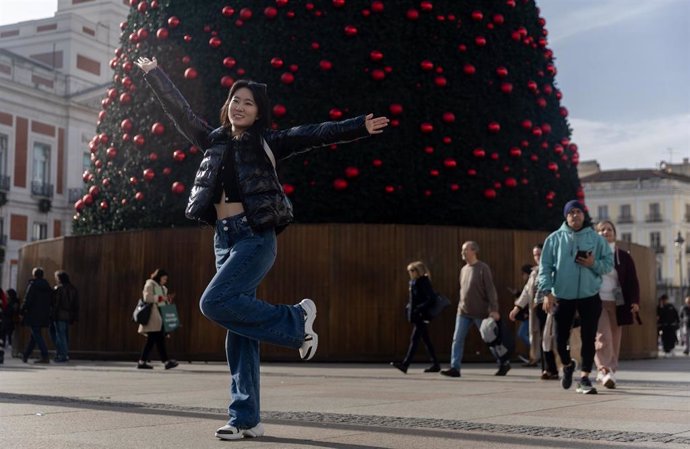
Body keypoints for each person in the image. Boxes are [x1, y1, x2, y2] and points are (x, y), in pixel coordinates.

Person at [135, 56, 388, 440]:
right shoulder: (212, 139)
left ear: (258, 113)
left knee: (213, 302)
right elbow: (180, 112)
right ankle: (245, 418)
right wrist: (156, 74)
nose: (239, 106)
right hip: (223, 238)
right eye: (235, 99)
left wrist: (359, 127)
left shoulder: (269, 142)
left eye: (248, 103)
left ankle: (296, 321)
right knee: (240, 332)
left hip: (255, 235)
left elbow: (314, 133)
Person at [538, 200, 612, 395]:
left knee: (589, 338)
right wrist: (547, 292)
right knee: (559, 339)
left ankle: (585, 377)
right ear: (566, 216)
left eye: (578, 211)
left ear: (583, 215)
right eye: (571, 212)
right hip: (563, 295)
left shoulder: (597, 240)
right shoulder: (554, 239)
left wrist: (592, 263)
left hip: (589, 295)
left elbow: (608, 264)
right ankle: (567, 364)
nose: (575, 215)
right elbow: (544, 268)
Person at [441, 241, 511, 378]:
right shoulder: (463, 269)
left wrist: (494, 309)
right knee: (457, 339)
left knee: (490, 340)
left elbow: (491, 290)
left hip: (481, 312)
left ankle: (503, 362)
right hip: (463, 312)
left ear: (474, 251)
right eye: (462, 250)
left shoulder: (482, 268)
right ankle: (455, 368)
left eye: (465, 250)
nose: (463, 252)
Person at [594, 221, 640, 389]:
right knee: (602, 336)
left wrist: (634, 301)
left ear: (614, 233)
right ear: (597, 234)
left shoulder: (624, 256)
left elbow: (632, 281)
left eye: (609, 229)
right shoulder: (592, 254)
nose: (606, 232)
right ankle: (603, 369)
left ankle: (610, 370)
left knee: (614, 338)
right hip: (597, 301)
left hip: (618, 302)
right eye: (602, 230)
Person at [509, 244, 559, 380]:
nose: (537, 257)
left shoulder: (554, 269)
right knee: (541, 340)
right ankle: (547, 369)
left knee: (551, 339)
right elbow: (526, 292)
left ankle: (556, 368)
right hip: (537, 310)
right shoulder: (534, 272)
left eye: (539, 254)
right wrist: (517, 307)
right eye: (535, 254)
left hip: (552, 309)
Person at [390, 261, 440, 374]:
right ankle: (436, 364)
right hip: (417, 315)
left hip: (422, 315)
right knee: (426, 340)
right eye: (409, 270)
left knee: (415, 340)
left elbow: (431, 298)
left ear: (419, 271)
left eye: (412, 270)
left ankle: (405, 364)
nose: (410, 273)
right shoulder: (414, 282)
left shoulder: (423, 282)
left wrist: (419, 308)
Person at [137, 268, 178, 370]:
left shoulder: (163, 288)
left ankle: (144, 362)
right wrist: (162, 298)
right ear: (159, 277)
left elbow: (162, 304)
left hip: (160, 317)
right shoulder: (150, 284)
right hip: (153, 317)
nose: (165, 281)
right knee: (156, 340)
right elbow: (147, 298)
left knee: (155, 341)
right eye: (164, 279)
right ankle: (165, 362)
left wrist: (167, 300)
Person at [21, 267, 54, 364]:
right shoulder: (47, 286)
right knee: (34, 335)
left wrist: (22, 311)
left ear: (34, 275)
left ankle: (45, 356)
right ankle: (25, 356)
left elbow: (28, 299)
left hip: (33, 314)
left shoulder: (33, 285)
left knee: (37, 335)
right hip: (44, 314)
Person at [50, 271, 80, 363]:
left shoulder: (58, 289)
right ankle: (64, 354)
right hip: (68, 315)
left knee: (59, 336)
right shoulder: (73, 289)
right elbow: (76, 304)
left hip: (59, 315)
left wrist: (52, 315)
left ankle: (62, 355)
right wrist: (75, 316)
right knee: (64, 336)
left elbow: (56, 303)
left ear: (59, 278)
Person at [5, 289, 20, 356]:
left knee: (10, 333)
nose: (6, 295)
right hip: (9, 319)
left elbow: (13, 310)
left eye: (7, 294)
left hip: (11, 320)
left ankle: (11, 345)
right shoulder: (9, 301)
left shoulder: (14, 301)